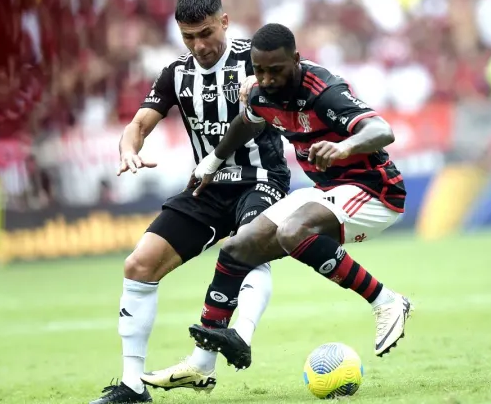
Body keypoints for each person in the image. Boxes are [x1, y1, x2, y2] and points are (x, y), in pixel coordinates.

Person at [150, 22, 415, 375]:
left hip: (373, 191)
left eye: (276, 70)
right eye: (259, 70)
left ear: (296, 59)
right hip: (328, 190)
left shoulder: (325, 91)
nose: (268, 78)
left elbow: (383, 130)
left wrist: (342, 147)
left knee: (293, 232)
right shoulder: (261, 92)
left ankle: (387, 301)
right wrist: (212, 162)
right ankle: (201, 364)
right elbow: (248, 121)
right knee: (237, 249)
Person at [89, 0, 291, 403]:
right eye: (188, 37)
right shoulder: (176, 73)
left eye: (205, 33)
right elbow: (140, 123)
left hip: (260, 179)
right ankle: (131, 386)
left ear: (225, 22)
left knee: (246, 246)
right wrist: (129, 148)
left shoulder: (254, 63)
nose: (199, 46)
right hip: (206, 187)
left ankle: (238, 334)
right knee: (139, 264)